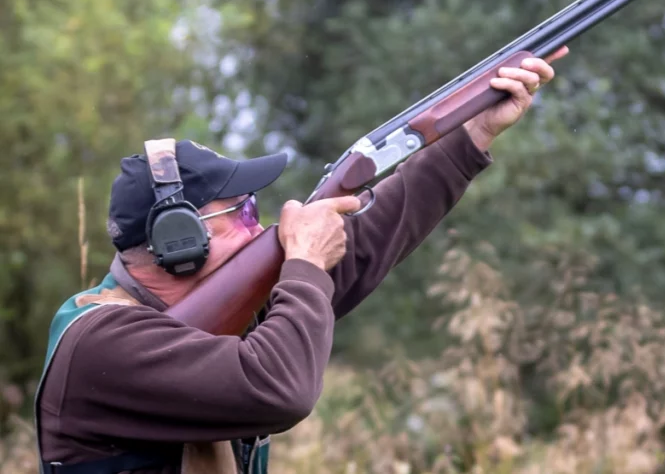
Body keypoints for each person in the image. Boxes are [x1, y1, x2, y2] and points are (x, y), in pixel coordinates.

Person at [33, 49, 568, 474]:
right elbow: (280, 388)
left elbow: (361, 250)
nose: (262, 228)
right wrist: (304, 262)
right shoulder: (103, 340)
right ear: (179, 241)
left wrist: (471, 136)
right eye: (241, 214)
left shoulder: (212, 317)